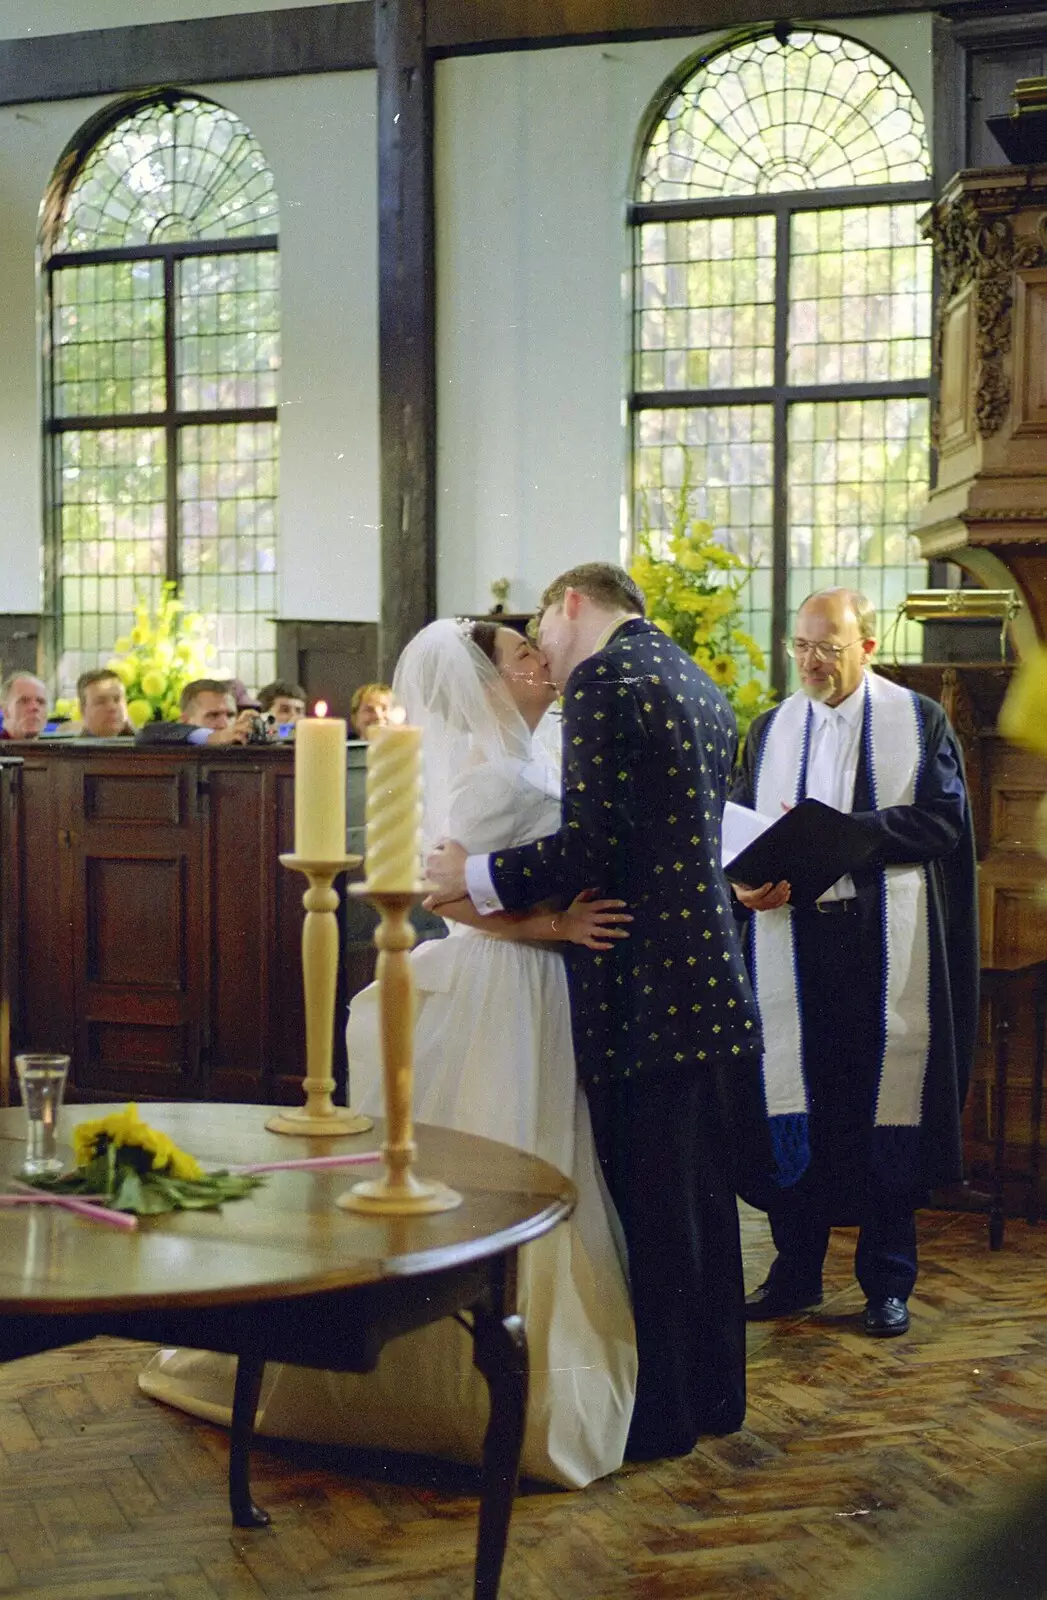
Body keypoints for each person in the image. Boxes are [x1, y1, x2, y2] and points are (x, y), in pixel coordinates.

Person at [140, 618, 638, 1487]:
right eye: (522, 656)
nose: (540, 663)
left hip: (538, 986)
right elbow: (447, 894)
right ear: (488, 683)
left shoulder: (532, 751)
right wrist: (554, 923)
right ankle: (443, 1390)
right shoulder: (484, 780)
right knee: (494, 1153)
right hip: (501, 980)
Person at [427, 563, 761, 1462]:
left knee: (653, 1209)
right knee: (695, 1203)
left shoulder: (610, 680)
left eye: (544, 622)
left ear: (572, 603)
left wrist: (478, 876)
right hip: (698, 980)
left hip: (644, 984)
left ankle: (660, 1415)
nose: (545, 650)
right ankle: (712, 1394)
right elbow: (662, 831)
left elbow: (597, 842)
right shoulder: (690, 676)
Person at [729, 588, 978, 1337]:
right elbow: (736, 828)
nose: (810, 661)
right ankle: (794, 1272)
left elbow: (943, 819)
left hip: (878, 947)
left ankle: (885, 1283)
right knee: (798, 1103)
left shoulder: (917, 719)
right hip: (792, 945)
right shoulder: (768, 729)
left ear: (865, 648)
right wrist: (744, 883)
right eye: (800, 646)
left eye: (827, 648)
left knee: (882, 1110)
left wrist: (846, 833)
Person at [135, 679, 258, 746]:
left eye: (230, 715)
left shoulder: (242, 742)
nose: (224, 724)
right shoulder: (175, 741)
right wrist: (213, 737)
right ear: (185, 720)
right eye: (213, 715)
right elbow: (147, 733)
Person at [76, 669, 134, 737]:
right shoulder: (69, 747)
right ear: (82, 710)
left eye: (117, 700)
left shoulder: (144, 743)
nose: (112, 707)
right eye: (101, 702)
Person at [0, 672, 48, 740]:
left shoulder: (54, 749)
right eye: (24, 701)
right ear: (5, 710)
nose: (34, 707)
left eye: (41, 702)